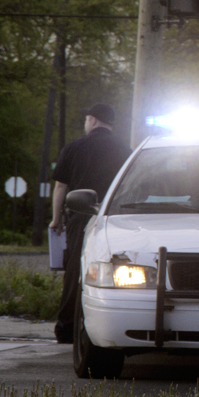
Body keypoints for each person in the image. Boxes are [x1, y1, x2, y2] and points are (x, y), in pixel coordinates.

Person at [49, 103, 132, 344]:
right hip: (113, 220)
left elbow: (61, 187)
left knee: (75, 270)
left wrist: (56, 219)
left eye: (86, 119)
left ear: (93, 120)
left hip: (80, 216)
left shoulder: (74, 147)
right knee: (110, 272)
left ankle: (66, 328)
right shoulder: (124, 150)